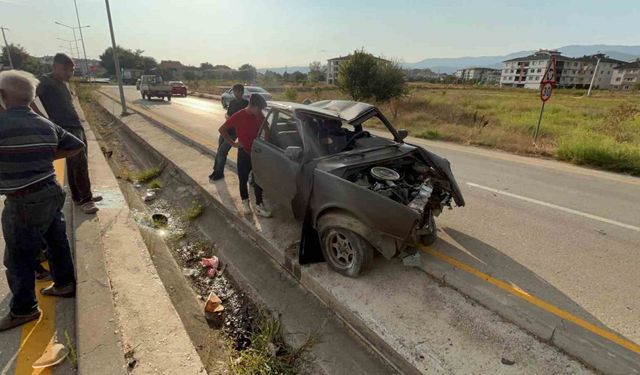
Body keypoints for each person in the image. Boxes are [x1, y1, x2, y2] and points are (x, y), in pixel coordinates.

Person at [0, 70, 82, 331]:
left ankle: (24, 310)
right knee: (57, 241)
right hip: (50, 190)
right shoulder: (45, 123)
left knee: (18, 257)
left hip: (23, 199)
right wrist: (46, 157)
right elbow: (76, 144)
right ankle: (65, 284)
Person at [30, 53, 101, 214]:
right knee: (79, 164)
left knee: (75, 164)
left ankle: (79, 196)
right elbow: (29, 98)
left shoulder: (62, 83)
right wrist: (43, 119)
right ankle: (86, 200)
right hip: (66, 128)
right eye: (65, 69)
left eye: (71, 70)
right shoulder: (45, 81)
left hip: (76, 126)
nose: (68, 73)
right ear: (54, 67)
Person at [218, 94, 272, 218]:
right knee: (243, 179)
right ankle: (245, 202)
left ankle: (259, 205)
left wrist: (264, 144)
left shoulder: (259, 115)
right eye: (260, 109)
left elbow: (267, 128)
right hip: (244, 153)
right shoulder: (239, 115)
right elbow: (222, 129)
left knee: (258, 179)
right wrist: (234, 144)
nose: (260, 112)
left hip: (257, 153)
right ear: (253, 106)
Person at [209, 83, 248, 181]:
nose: (236, 93)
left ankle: (219, 173)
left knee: (222, 151)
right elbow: (227, 114)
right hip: (226, 129)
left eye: (238, 91)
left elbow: (245, 119)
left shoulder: (245, 104)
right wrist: (228, 117)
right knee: (219, 150)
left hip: (234, 132)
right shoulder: (232, 102)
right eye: (235, 91)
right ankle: (216, 170)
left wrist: (233, 120)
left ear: (242, 92)